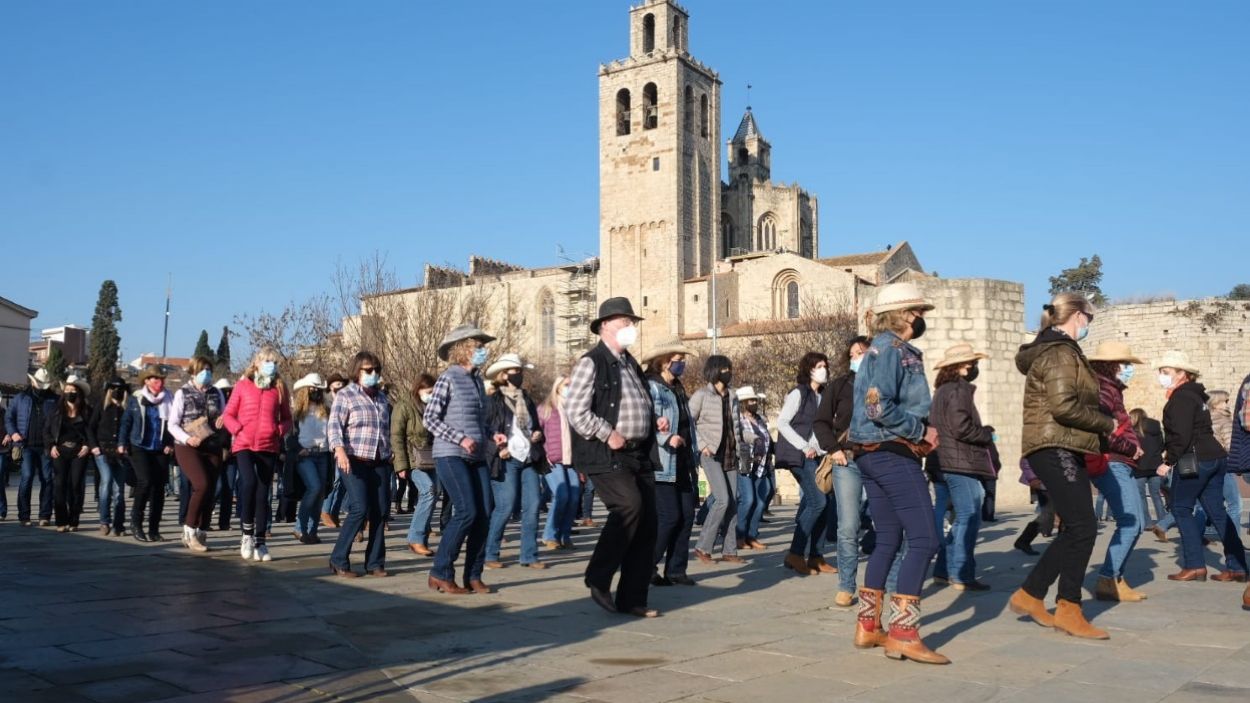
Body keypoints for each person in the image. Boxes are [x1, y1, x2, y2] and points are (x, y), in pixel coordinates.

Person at [848, 281, 948, 664]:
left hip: (871, 454)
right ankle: (903, 633)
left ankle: (868, 626)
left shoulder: (877, 350)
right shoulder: (893, 350)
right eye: (918, 312)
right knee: (925, 539)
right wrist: (921, 431)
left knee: (888, 537)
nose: (922, 318)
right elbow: (877, 406)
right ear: (905, 315)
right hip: (891, 452)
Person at [1009, 293, 1115, 641]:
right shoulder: (1059, 352)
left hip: (1063, 444)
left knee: (1077, 527)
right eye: (1090, 318)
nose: (1089, 325)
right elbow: (1064, 406)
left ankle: (1031, 594)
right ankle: (1068, 608)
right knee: (1083, 526)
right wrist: (1107, 423)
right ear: (1078, 316)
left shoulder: (1060, 350)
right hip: (1055, 444)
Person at [565, 297, 662, 618]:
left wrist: (654, 420)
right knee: (628, 506)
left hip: (639, 451)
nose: (630, 327)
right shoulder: (591, 362)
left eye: (632, 323)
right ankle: (598, 576)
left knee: (648, 523)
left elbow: (638, 402)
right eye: (625, 322)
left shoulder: (630, 363)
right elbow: (575, 410)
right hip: (606, 451)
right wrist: (608, 433)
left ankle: (633, 598)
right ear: (605, 325)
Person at [1154, 351, 1247, 582]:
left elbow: (1182, 435)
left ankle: (1195, 565)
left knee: (1180, 508)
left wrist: (1168, 461)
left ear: (1182, 374)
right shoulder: (1197, 396)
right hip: (1213, 456)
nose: (1161, 376)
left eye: (1166, 372)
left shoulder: (1181, 398)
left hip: (1194, 459)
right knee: (1218, 512)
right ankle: (1237, 567)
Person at [424, 324, 496, 594]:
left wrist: (493, 435)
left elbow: (479, 422)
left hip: (476, 455)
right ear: (463, 348)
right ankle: (441, 571)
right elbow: (430, 418)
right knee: (467, 511)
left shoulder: (477, 380)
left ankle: (473, 575)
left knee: (485, 513)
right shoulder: (448, 378)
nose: (483, 351)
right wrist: (460, 438)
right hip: (450, 454)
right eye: (478, 346)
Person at [1082, 342, 1149, 602]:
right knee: (1130, 522)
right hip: (1113, 461)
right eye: (1126, 363)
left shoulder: (1110, 389)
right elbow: (1102, 428)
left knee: (1137, 523)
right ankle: (1108, 579)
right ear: (1112, 365)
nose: (1129, 368)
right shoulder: (1103, 389)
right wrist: (1131, 448)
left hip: (1120, 462)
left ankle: (1115, 578)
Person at [928, 344, 995, 592]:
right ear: (963, 366)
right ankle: (961, 573)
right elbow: (961, 427)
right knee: (969, 515)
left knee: (957, 516)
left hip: (941, 461)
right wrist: (986, 434)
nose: (974, 367)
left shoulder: (941, 390)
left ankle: (943, 570)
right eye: (972, 363)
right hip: (959, 462)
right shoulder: (959, 389)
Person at [814, 335, 871, 606]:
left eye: (861, 353)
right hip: (847, 461)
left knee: (887, 522)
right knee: (848, 525)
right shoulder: (839, 386)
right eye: (852, 355)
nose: (856, 358)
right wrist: (834, 449)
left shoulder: (885, 383)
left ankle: (888, 580)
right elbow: (820, 422)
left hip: (879, 459)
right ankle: (847, 585)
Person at [222, 348, 293, 562]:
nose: (271, 365)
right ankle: (247, 534)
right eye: (267, 361)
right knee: (249, 482)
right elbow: (228, 414)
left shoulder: (279, 387)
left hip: (268, 445)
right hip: (244, 444)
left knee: (263, 494)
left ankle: (260, 542)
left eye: (274, 362)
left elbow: (287, 418)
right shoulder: (243, 385)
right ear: (257, 363)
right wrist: (238, 429)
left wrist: (278, 430)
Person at [327, 352, 393, 578]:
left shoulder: (382, 398)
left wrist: (390, 452)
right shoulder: (345, 395)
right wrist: (339, 450)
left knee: (381, 511)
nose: (373, 373)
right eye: (368, 370)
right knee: (359, 508)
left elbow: (385, 429)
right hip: (353, 459)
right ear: (357, 371)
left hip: (380, 460)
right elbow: (334, 426)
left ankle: (375, 562)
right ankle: (338, 559)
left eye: (376, 370)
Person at [642, 338, 699, 587]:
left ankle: (676, 570)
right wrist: (666, 437)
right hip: (663, 462)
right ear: (665, 362)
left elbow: (688, 424)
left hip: (683, 461)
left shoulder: (678, 388)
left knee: (686, 516)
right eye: (679, 360)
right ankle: (645, 567)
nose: (682, 364)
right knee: (669, 516)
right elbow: (645, 420)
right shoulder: (652, 388)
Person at [482, 353, 547, 570]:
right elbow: (485, 430)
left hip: (529, 457)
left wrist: (537, 434)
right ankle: (490, 553)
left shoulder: (526, 399)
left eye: (520, 371)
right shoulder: (493, 401)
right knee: (505, 506)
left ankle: (529, 555)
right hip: (506, 459)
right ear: (504, 374)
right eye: (515, 371)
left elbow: (534, 426)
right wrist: (498, 448)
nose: (519, 375)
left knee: (533, 505)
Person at [688, 354, 750, 566]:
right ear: (714, 370)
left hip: (730, 453)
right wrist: (702, 444)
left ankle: (729, 550)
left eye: (729, 368)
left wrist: (744, 442)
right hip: (711, 454)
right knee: (722, 499)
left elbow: (735, 426)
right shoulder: (701, 395)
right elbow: (688, 422)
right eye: (724, 369)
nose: (728, 372)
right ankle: (703, 547)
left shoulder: (733, 395)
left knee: (733, 501)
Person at [777, 352, 832, 576]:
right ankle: (795, 553)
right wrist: (803, 446)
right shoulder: (799, 393)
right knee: (818, 502)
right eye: (819, 366)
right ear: (809, 369)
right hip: (799, 456)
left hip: (819, 456)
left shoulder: (823, 396)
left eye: (825, 366)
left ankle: (816, 556)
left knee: (825, 504)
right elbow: (782, 422)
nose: (823, 370)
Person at [168, 357, 229, 552]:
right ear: (193, 372)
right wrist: (187, 438)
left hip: (212, 444)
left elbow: (225, 414)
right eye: (202, 370)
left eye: (209, 370)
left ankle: (203, 529)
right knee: (201, 484)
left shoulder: (217, 393)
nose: (206, 374)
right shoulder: (183, 393)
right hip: (188, 446)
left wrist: (223, 421)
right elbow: (172, 424)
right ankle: (189, 529)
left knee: (211, 489)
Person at [119, 365, 174, 542]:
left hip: (160, 447)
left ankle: (154, 529)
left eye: (161, 379)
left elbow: (174, 423)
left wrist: (170, 443)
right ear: (146, 381)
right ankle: (136, 523)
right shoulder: (136, 398)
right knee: (145, 481)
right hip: (139, 445)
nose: (159, 382)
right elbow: (126, 421)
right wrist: (122, 442)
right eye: (155, 378)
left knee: (159, 488)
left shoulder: (169, 399)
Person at [6, 368, 59, 527]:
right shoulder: (21, 398)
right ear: (33, 382)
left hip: (47, 446)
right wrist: (13, 433)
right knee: (27, 477)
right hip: (26, 445)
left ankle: (45, 515)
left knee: (47, 479)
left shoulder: (55, 399)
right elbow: (9, 417)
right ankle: (24, 515)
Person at [394, 373, 438, 556]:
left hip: (432, 457)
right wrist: (401, 465)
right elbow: (396, 436)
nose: (431, 395)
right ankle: (415, 538)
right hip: (413, 459)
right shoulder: (404, 406)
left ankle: (423, 538)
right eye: (429, 392)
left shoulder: (434, 407)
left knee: (434, 493)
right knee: (428, 490)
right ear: (418, 389)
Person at [44, 376, 92, 532]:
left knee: (76, 485)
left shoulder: (87, 411)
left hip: (79, 452)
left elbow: (92, 431)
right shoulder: (56, 411)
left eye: (73, 390)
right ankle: (61, 521)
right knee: (59, 485)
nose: (70, 393)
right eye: (67, 390)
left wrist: (87, 446)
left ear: (79, 393)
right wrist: (51, 446)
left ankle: (74, 520)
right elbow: (47, 431)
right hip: (60, 451)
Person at [539, 376, 580, 552]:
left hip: (571, 460)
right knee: (561, 495)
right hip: (552, 459)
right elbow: (536, 431)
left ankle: (565, 535)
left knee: (574, 496)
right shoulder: (546, 408)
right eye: (566, 385)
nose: (570, 387)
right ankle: (550, 535)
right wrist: (543, 454)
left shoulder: (575, 409)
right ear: (557, 387)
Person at [291, 373, 331, 545]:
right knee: (314, 487)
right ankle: (300, 527)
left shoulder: (325, 409)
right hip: (305, 454)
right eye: (312, 388)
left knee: (320, 493)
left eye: (318, 389)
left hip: (323, 452)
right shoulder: (297, 411)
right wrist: (297, 449)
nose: (316, 391)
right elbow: (289, 433)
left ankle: (312, 531)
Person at [90, 377, 130, 536]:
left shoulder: (127, 408)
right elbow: (91, 427)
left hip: (121, 452)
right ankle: (104, 522)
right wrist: (93, 446)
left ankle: (118, 525)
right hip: (102, 450)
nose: (117, 392)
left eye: (120, 389)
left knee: (119, 490)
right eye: (113, 389)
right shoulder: (101, 406)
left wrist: (127, 447)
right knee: (106, 482)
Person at [736, 386, 772, 554]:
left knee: (761, 502)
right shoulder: (737, 419)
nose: (754, 403)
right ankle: (739, 536)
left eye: (755, 400)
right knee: (748, 500)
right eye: (751, 400)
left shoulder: (760, 419)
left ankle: (751, 535)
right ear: (743, 402)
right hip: (744, 464)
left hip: (761, 465)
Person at [1208, 391, 1242, 533]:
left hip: (1205, 463)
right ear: (1216, 403)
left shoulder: (1202, 419)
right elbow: (1230, 446)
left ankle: (1197, 536)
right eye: (1225, 401)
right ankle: (1234, 539)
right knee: (1235, 504)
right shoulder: (1224, 420)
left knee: (1203, 504)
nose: (1227, 404)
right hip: (1223, 464)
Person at [320, 372, 350, 528]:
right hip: (330, 445)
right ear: (330, 386)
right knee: (336, 479)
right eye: (337, 384)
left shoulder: (346, 400)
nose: (340, 387)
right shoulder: (326, 404)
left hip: (346, 444)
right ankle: (325, 511)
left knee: (344, 481)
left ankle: (335, 511)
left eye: (342, 384)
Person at [1130, 408, 1168, 533]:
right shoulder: (1156, 427)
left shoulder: (1133, 430)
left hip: (1140, 466)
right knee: (1156, 494)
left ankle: (1147, 522)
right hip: (1156, 465)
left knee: (1141, 496)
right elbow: (1162, 446)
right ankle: (1163, 521)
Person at [1013, 457, 1054, 555]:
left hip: (1056, 481)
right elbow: (1025, 460)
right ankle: (1024, 541)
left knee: (1059, 513)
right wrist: (1033, 478)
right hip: (1043, 482)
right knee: (1048, 514)